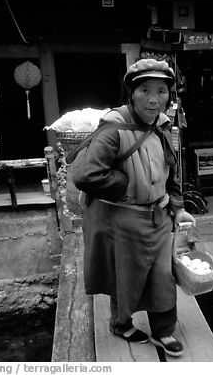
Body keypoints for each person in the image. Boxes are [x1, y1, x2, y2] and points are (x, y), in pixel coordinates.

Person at [72, 58, 196, 357]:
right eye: (145, 91)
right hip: (124, 219)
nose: (154, 99)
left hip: (160, 216)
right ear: (131, 93)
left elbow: (172, 171)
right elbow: (85, 175)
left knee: (161, 275)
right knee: (124, 275)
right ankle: (120, 323)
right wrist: (125, 182)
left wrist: (179, 208)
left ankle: (164, 330)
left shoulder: (163, 126)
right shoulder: (115, 128)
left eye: (162, 91)